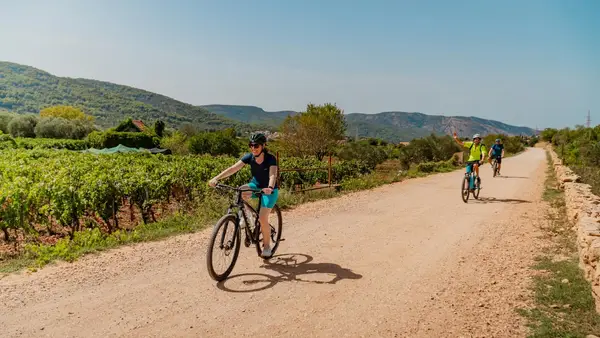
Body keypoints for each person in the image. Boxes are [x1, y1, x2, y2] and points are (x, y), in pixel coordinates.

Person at [208, 132, 279, 258]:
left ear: (263, 146)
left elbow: (272, 174)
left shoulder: (270, 158)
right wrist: (216, 178)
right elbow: (233, 169)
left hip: (269, 190)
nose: (253, 148)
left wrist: (269, 187)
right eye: (250, 145)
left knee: (263, 219)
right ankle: (248, 217)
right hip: (255, 186)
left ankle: (267, 246)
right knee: (240, 190)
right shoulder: (249, 157)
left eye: (256, 145)